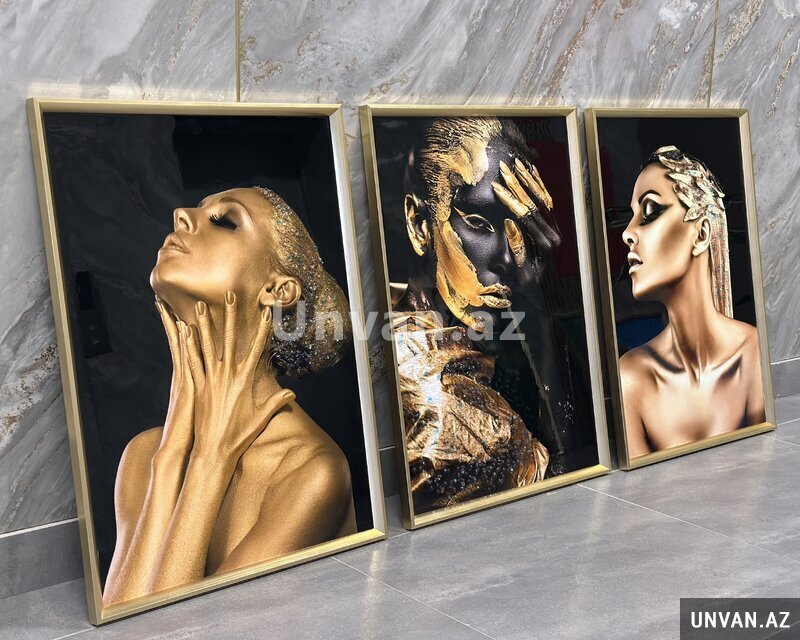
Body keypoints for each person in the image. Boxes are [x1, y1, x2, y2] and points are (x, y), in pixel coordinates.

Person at [102, 187, 356, 605]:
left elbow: (180, 630)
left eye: (225, 221)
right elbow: (123, 624)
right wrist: (173, 456)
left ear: (278, 290)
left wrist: (211, 458)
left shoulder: (312, 471)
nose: (181, 214)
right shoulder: (146, 454)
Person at [393, 116, 593, 512]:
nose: (508, 257)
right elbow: (574, 499)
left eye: (520, 227)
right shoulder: (440, 404)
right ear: (419, 225)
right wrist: (537, 312)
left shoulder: (477, 336)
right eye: (478, 223)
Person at [619, 145, 766, 456]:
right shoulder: (632, 377)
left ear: (701, 235)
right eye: (631, 216)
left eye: (650, 211)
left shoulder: (753, 352)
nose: (628, 233)